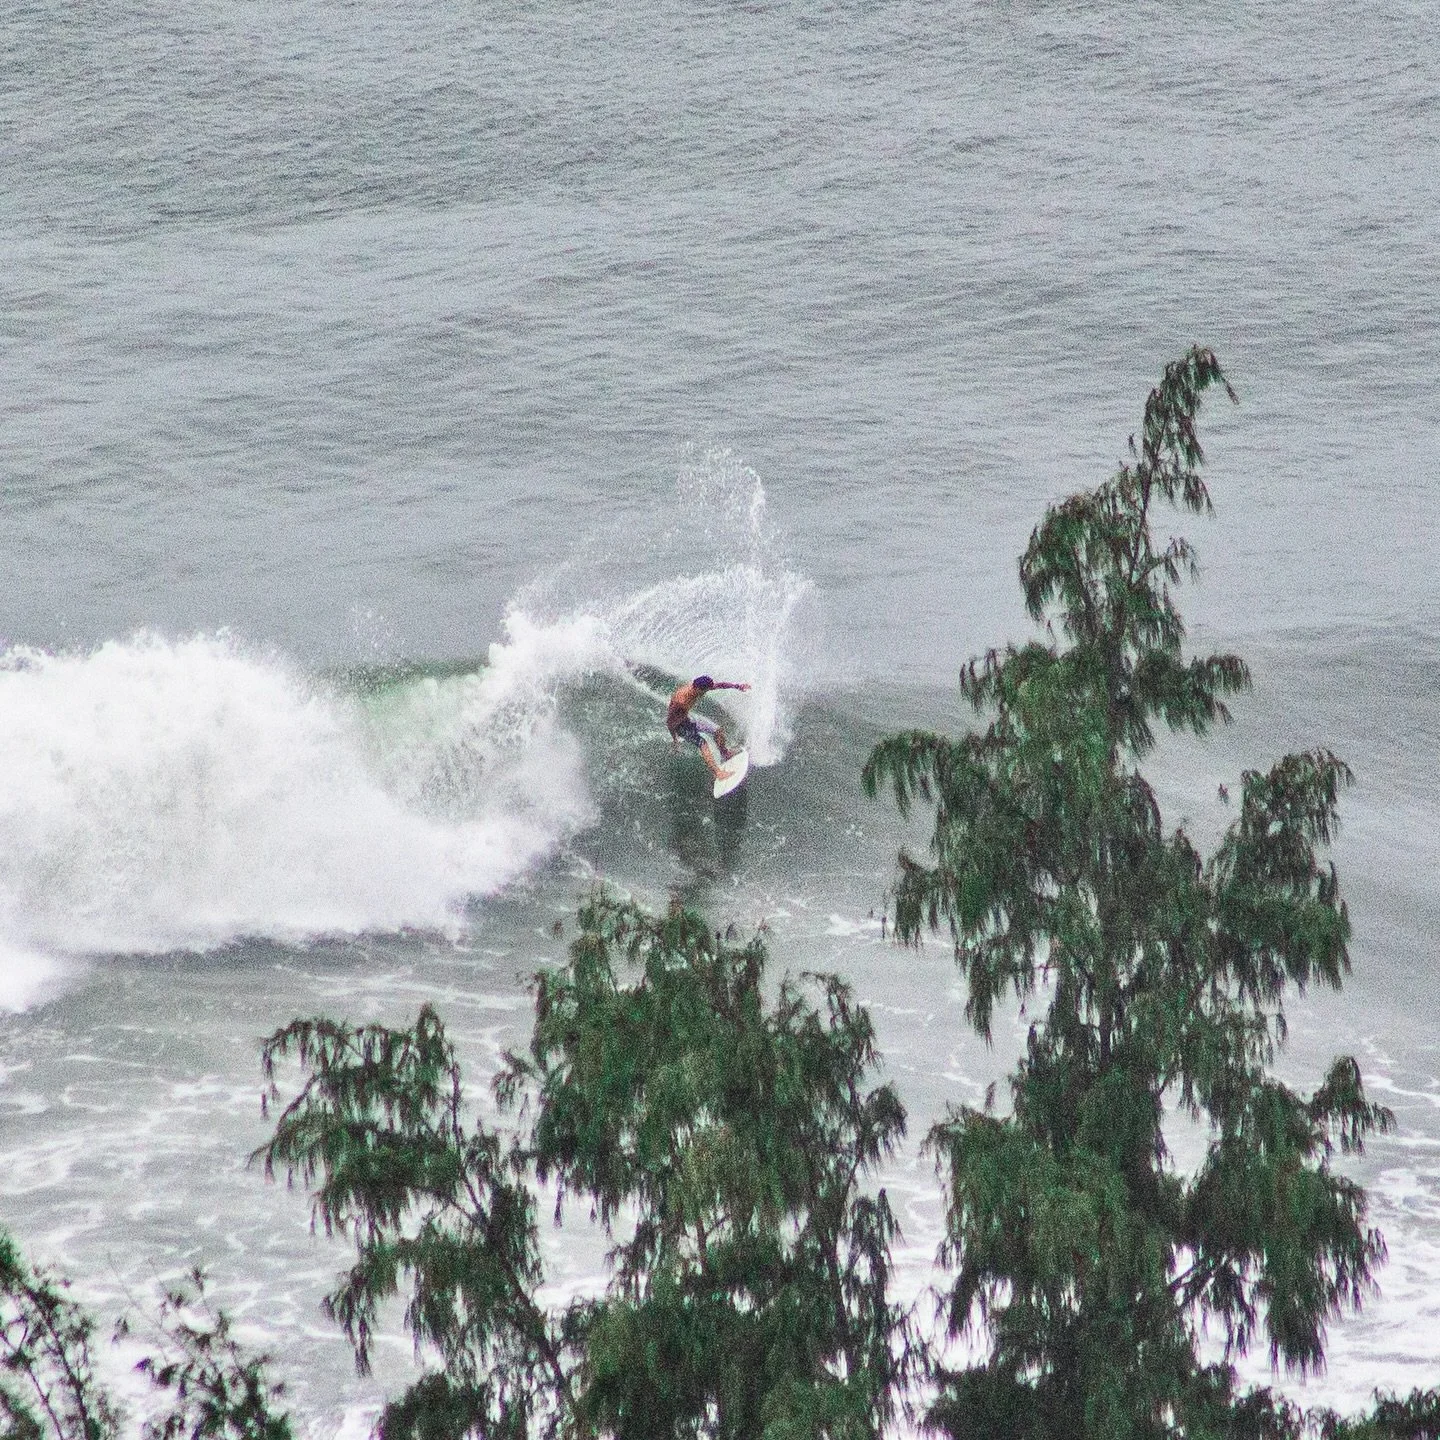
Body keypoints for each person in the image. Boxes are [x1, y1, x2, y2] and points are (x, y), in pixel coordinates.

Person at [666, 675, 750, 779]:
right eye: (705, 690)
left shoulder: (699, 687)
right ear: (698, 689)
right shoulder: (680, 700)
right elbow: (669, 721)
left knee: (718, 730)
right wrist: (675, 740)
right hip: (680, 726)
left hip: (689, 719)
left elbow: (720, 685)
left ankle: (725, 754)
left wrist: (737, 686)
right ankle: (718, 773)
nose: (706, 692)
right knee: (703, 743)